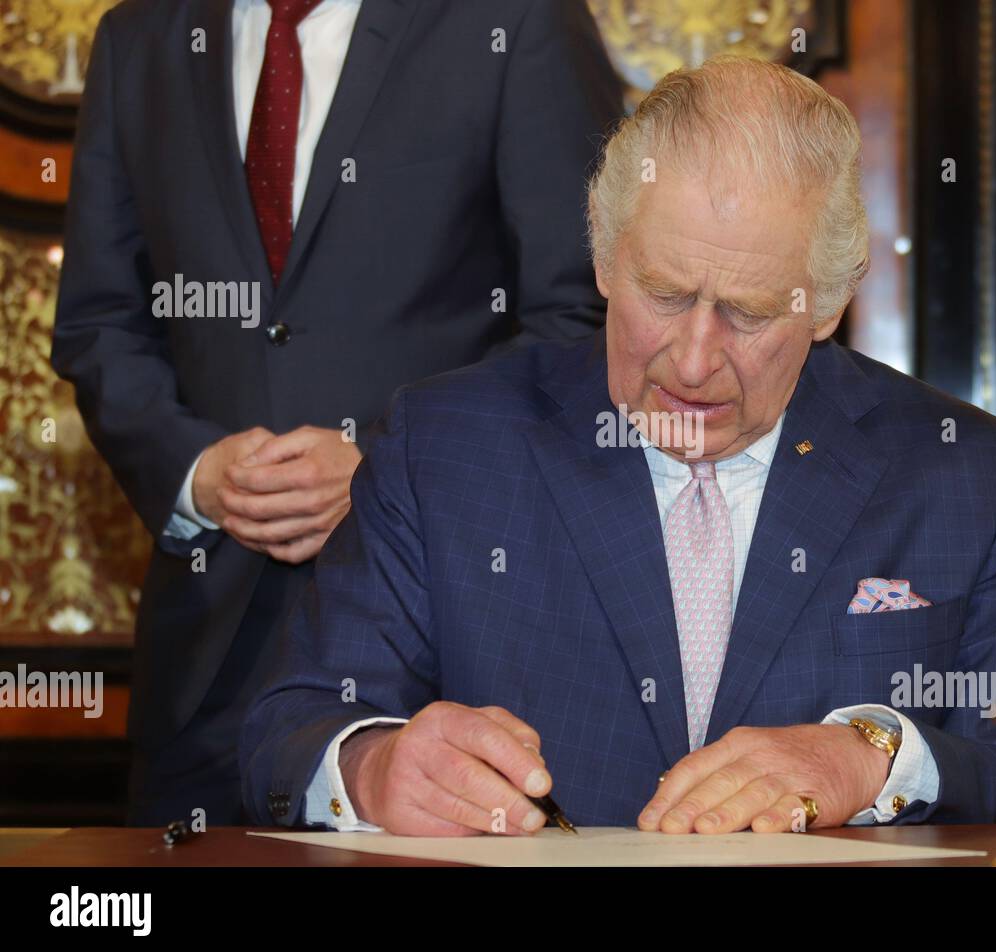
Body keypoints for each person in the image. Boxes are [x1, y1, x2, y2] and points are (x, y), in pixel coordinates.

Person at [241, 55, 996, 834]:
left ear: (826, 303)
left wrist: (874, 757)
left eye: (748, 313)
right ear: (604, 256)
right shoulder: (447, 447)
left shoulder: (962, 472)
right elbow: (289, 728)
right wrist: (375, 764)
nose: (695, 359)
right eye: (665, 295)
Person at [51, 0, 623, 825]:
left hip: (449, 669)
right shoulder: (139, 35)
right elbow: (99, 322)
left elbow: (584, 316)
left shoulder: (515, 20)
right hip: (205, 669)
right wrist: (198, 473)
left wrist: (389, 465)